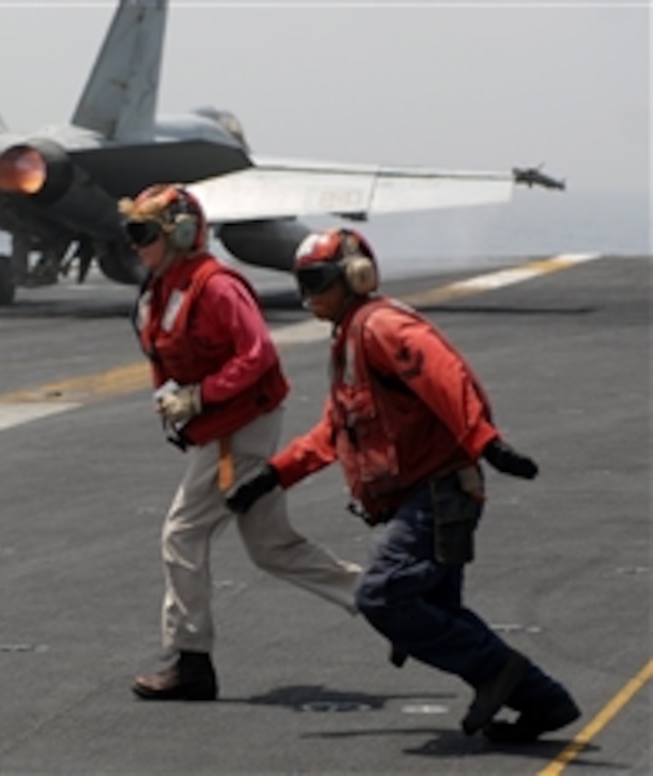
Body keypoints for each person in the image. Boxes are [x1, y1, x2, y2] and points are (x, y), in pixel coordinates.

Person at [225, 227, 581, 742]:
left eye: (318, 281)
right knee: (437, 610)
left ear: (354, 276)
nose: (309, 296)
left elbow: (444, 372)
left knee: (382, 596)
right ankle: (544, 702)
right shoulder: (351, 338)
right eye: (303, 283)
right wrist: (273, 476)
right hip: (430, 495)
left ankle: (498, 672)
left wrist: (485, 441)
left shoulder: (380, 327)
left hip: (440, 492)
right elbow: (333, 431)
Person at [120, 184, 362, 702]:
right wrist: (174, 406)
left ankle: (190, 660)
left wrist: (199, 397)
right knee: (271, 548)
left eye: (144, 234)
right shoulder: (161, 288)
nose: (136, 244)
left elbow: (257, 356)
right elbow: (161, 353)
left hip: (239, 430)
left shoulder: (216, 287)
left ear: (181, 235)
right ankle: (382, 599)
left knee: (181, 534)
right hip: (217, 426)